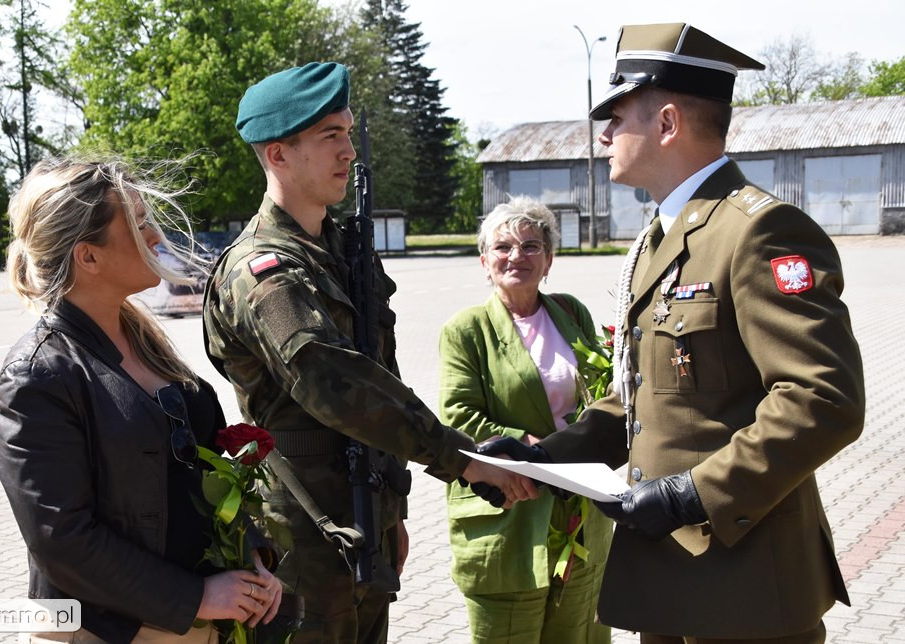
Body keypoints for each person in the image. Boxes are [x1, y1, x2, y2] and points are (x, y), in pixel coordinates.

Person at [482, 23, 865, 643]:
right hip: (671, 582)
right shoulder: (665, 235)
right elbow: (648, 397)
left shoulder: (757, 232)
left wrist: (693, 495)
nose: (604, 135)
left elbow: (824, 401)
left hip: (744, 590)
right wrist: (544, 457)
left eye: (617, 116)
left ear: (666, 123)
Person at [202, 62, 537, 643]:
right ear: (278, 155)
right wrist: (460, 458)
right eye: (331, 136)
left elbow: (383, 373)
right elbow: (336, 384)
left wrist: (393, 509)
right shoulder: (264, 272)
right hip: (300, 532)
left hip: (364, 516)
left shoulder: (341, 253)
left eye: (349, 134)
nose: (348, 151)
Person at [0, 157, 283, 644]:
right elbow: (60, 539)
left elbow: (201, 474)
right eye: (139, 224)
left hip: (189, 624)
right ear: (89, 257)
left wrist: (251, 556)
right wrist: (195, 598)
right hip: (104, 630)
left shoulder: (144, 340)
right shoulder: (36, 376)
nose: (154, 235)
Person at [438, 196, 612, 644]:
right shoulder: (466, 329)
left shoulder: (571, 313)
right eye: (503, 247)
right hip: (511, 512)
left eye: (532, 245)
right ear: (484, 260)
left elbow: (596, 394)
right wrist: (529, 450)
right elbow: (457, 415)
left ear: (550, 258)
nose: (517, 256)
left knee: (577, 635)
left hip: (578, 509)